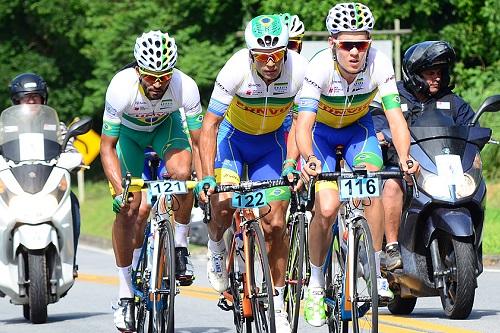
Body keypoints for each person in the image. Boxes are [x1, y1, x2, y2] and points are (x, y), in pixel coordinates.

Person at [295, 3, 419, 327]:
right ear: (333, 43)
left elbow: (395, 118)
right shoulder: (318, 67)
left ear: (369, 43)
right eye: (347, 44)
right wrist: (309, 159)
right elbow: (303, 125)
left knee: (371, 187)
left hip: (358, 131)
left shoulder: (379, 63)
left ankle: (374, 269)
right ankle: (317, 283)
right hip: (321, 134)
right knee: (327, 206)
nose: (354, 52)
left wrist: (405, 157)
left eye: (361, 44)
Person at [196, 14, 307, 332]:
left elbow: (301, 122)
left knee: (274, 224)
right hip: (234, 142)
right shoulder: (234, 70)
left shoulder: (299, 70)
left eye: (276, 55)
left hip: (271, 146)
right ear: (250, 54)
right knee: (224, 202)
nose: (270, 63)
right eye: (262, 56)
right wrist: (205, 176)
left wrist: (291, 164)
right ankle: (216, 243)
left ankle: (278, 297)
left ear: (286, 51)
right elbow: (210, 126)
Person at [100, 30, 203, 332]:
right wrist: (120, 191)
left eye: (164, 76)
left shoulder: (185, 86)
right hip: (129, 139)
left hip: (165, 129)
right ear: (138, 70)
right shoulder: (121, 87)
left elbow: (198, 141)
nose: (158, 83)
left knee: (183, 176)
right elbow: (106, 146)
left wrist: (204, 177)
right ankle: (124, 294)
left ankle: (180, 248)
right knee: (133, 209)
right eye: (150, 76)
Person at [373, 40, 476, 271]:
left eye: (440, 72)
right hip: (401, 169)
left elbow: (471, 126)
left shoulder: (452, 102)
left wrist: (479, 136)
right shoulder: (393, 96)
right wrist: (381, 135)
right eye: (430, 73)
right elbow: (377, 123)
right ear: (414, 74)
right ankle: (392, 248)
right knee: (391, 185)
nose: (436, 78)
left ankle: (469, 248)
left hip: (440, 170)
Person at [8, 73, 82, 277]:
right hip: (15, 184)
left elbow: (70, 148)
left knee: (72, 204)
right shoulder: (5, 127)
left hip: (47, 183)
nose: (31, 101)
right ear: (17, 100)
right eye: (26, 97)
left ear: (43, 98)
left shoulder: (55, 126)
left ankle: (71, 260)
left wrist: (75, 159)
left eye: (35, 96)